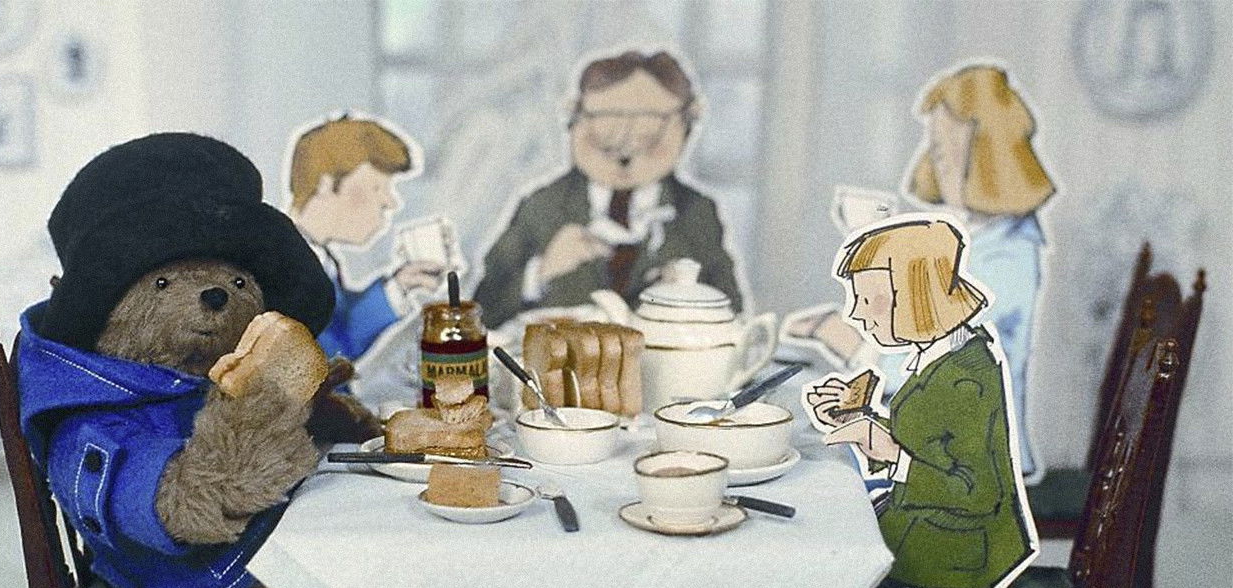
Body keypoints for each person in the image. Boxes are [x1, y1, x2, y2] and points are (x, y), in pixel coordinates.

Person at [788, 64, 1054, 479]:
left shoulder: (1010, 257)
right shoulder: (980, 234)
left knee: (820, 472)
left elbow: (940, 360)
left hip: (976, 464)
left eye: (942, 154)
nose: (932, 164)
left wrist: (844, 338)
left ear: (986, 161)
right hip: (939, 437)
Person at [804, 215, 1038, 588]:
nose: (855, 314)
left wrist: (894, 455)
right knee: (829, 523)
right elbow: (932, 440)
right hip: (937, 529)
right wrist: (859, 419)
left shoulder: (965, 379)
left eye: (869, 301)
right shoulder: (943, 357)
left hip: (963, 552)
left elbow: (976, 493)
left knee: (823, 548)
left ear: (915, 298)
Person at [474, 50, 741, 328]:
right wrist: (541, 271)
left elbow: (734, 312)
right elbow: (482, 309)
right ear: (575, 121)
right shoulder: (542, 205)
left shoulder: (696, 212)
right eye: (605, 123)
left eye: (649, 130)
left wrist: (688, 293)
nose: (625, 145)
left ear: (685, 127)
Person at [287, 115, 444, 361]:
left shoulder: (316, 257)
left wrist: (399, 284)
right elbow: (331, 350)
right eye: (377, 188)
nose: (391, 202)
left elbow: (340, 317)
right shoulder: (284, 263)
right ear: (326, 185)